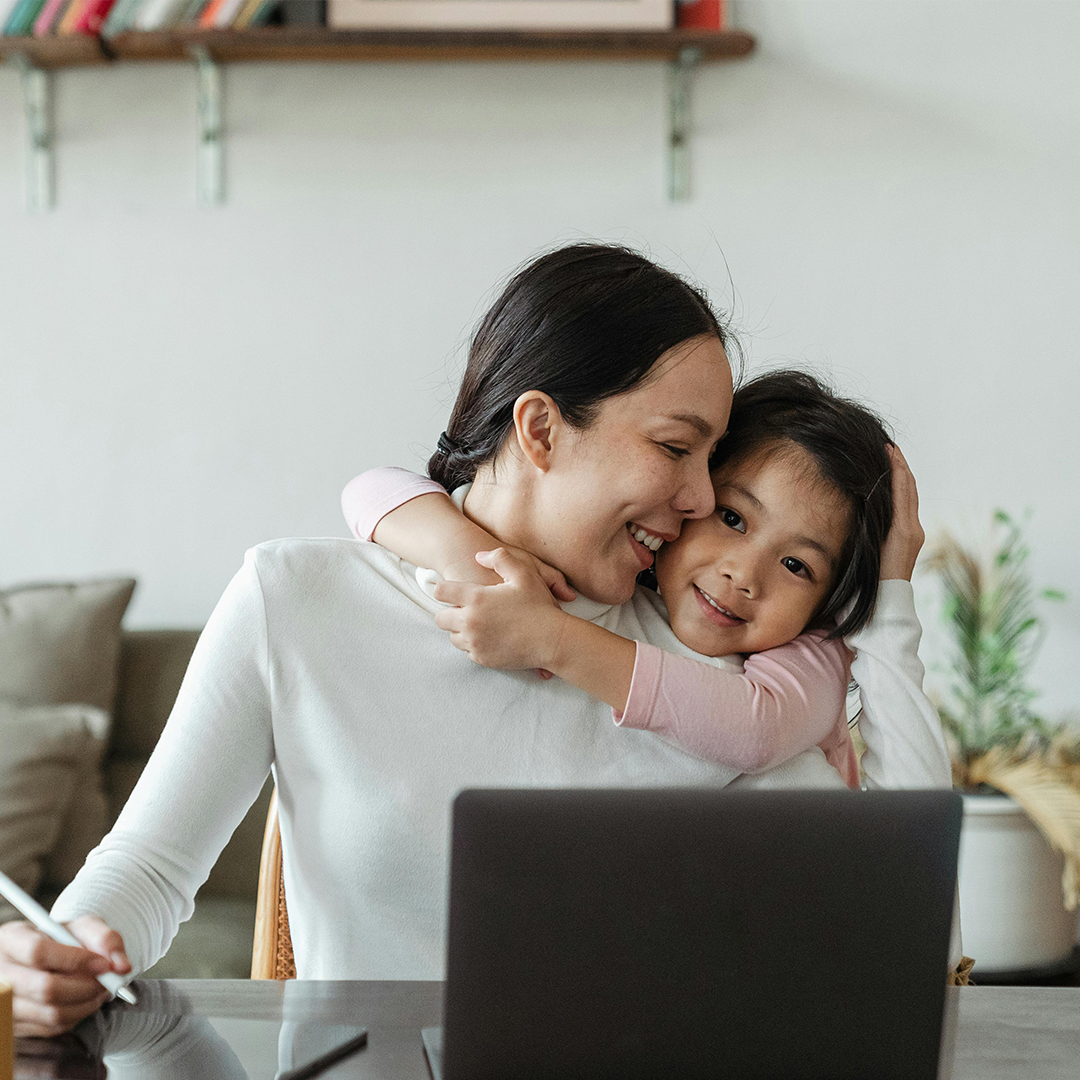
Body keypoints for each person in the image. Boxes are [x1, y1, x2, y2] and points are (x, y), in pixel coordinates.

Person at [0, 244, 949, 1039]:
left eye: (712, 461)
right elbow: (153, 870)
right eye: (675, 449)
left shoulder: (717, 672)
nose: (702, 500)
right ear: (539, 428)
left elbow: (903, 924)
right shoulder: (299, 599)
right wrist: (67, 952)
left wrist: (891, 598)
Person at [341, 370, 941, 787]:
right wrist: (473, 558)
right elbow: (370, 488)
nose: (744, 573)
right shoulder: (625, 582)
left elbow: (756, 728)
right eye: (731, 517)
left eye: (796, 566)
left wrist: (552, 638)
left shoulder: (812, 653)